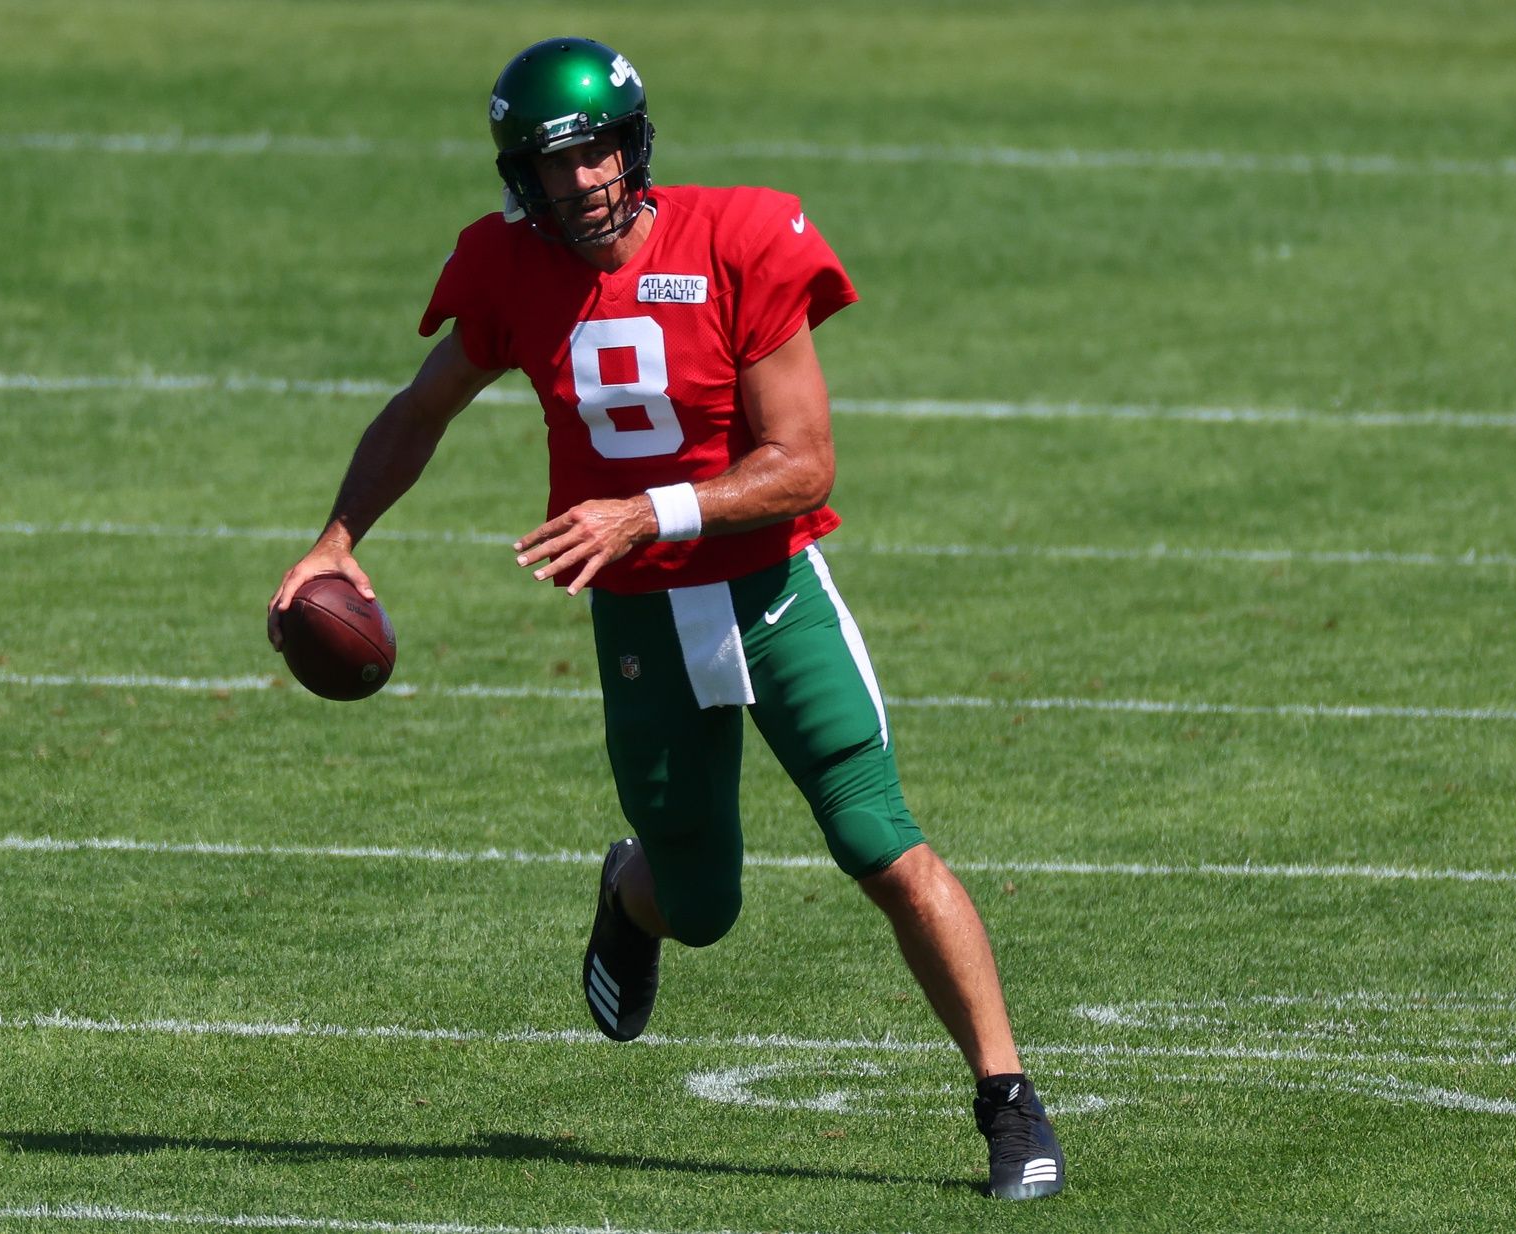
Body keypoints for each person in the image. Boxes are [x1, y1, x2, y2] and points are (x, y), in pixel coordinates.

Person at [266, 36, 1063, 1200]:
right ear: (518, 179)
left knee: (877, 840)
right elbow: (421, 405)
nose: (581, 181)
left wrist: (650, 511)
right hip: (640, 623)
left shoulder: (742, 237)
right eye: (553, 164)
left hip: (769, 589)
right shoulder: (505, 271)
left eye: (596, 152)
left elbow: (802, 468)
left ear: (631, 147)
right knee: (700, 906)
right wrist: (338, 536)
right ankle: (626, 891)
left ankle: (1007, 1099)